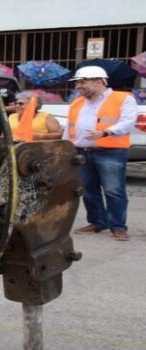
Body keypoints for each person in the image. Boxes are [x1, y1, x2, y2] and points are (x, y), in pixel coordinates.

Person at [64, 66, 138, 241]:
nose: (78, 86)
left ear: (99, 82)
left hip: (110, 152)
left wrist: (106, 132)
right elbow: (69, 128)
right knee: (88, 190)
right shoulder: (77, 103)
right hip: (82, 151)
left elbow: (127, 122)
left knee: (113, 190)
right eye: (77, 83)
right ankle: (97, 222)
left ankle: (118, 227)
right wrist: (65, 147)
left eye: (82, 82)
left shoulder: (123, 98)